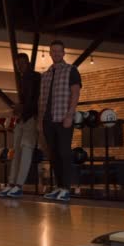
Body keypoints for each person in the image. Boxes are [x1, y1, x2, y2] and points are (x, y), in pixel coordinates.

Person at [38, 40, 81, 202]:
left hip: (63, 118)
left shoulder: (71, 70)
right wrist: (40, 121)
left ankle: (66, 188)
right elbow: (41, 99)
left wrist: (70, 114)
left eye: (59, 51)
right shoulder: (46, 75)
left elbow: (75, 93)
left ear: (63, 53)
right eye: (53, 51)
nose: (56, 54)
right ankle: (58, 187)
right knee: (53, 154)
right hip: (48, 120)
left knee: (64, 152)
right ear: (50, 53)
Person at [0, 53, 40, 198]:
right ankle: (11, 184)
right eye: (17, 65)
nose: (20, 67)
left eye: (22, 63)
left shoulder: (36, 77)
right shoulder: (23, 79)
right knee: (16, 151)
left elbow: (36, 100)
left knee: (26, 150)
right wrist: (19, 111)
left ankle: (18, 185)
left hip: (31, 118)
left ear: (27, 63)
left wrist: (22, 108)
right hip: (23, 118)